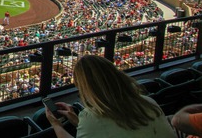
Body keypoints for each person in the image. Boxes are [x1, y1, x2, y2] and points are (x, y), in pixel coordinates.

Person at [45, 55, 176, 138]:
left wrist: (56, 124)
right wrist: (77, 122)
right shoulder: (149, 102)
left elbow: (104, 126)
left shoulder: (91, 117)